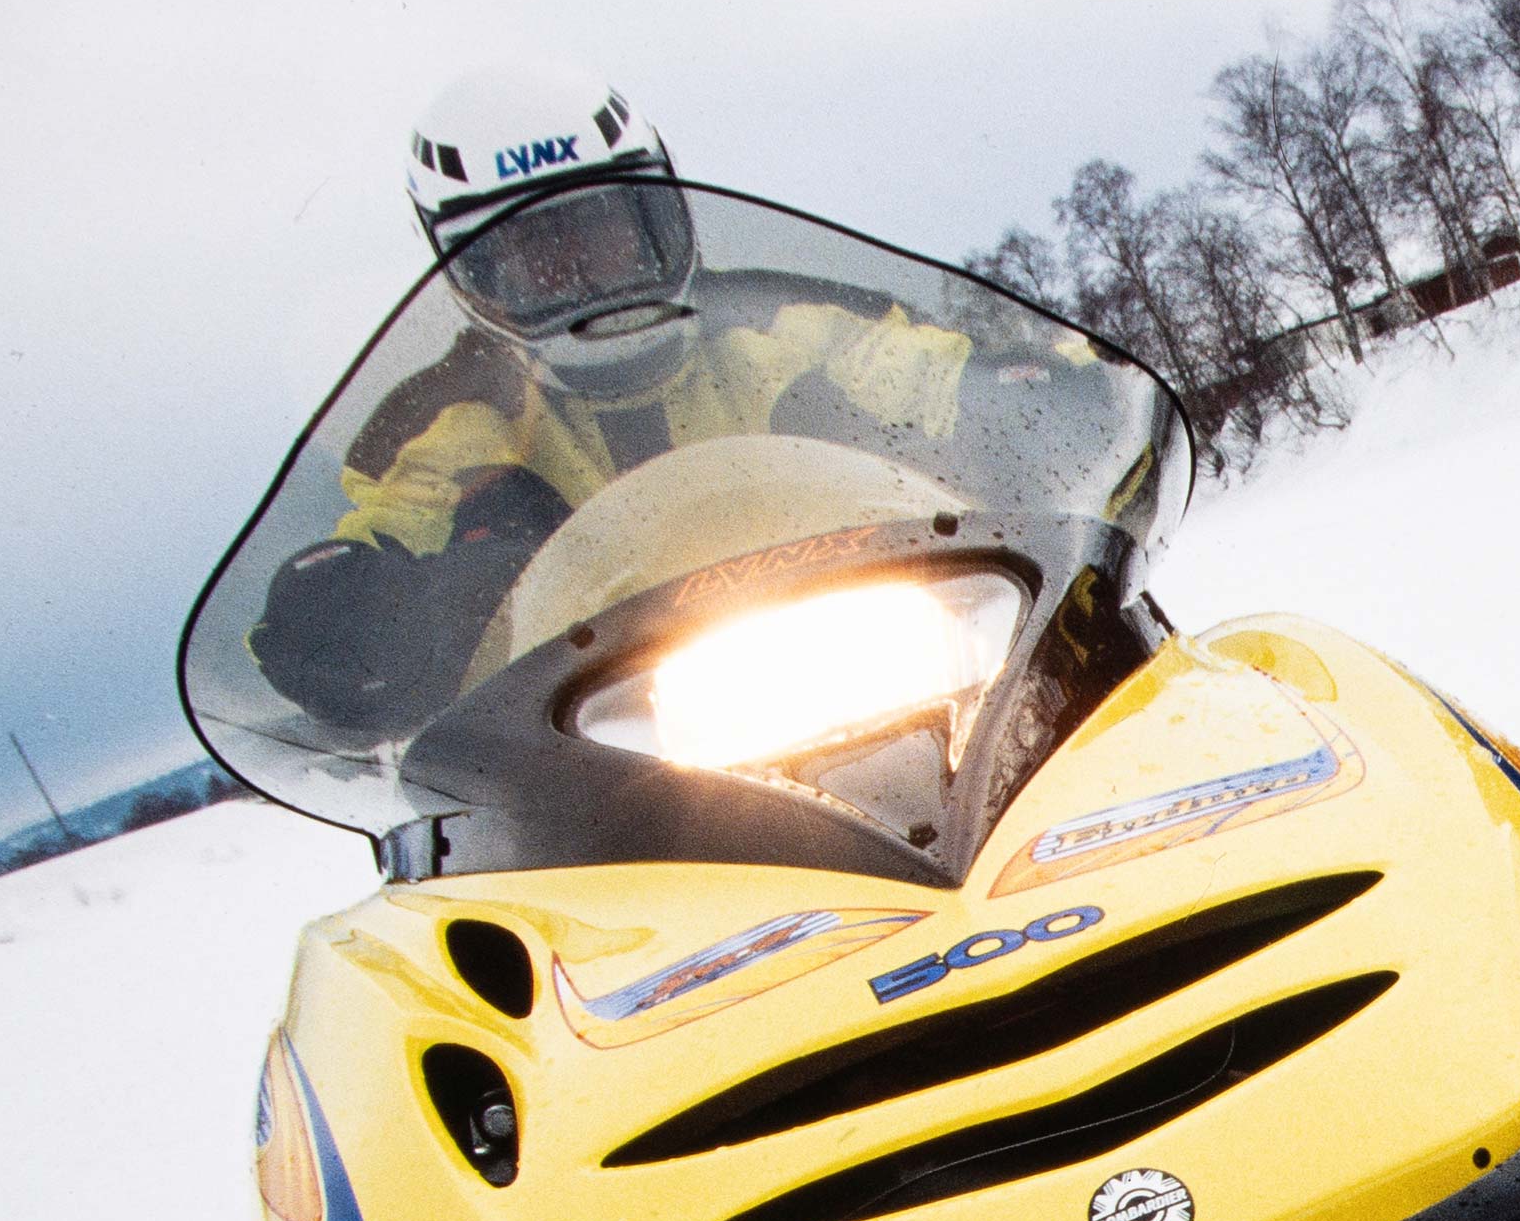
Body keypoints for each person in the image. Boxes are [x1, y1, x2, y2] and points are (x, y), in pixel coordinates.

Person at [252, 64, 979, 731]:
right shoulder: (453, 428)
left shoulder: (794, 330)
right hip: (609, 740)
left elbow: (943, 373)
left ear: (660, 213)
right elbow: (383, 531)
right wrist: (348, 610)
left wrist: (1045, 393)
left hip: (899, 652)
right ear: (472, 277)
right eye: (538, 259)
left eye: (604, 234)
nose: (585, 277)